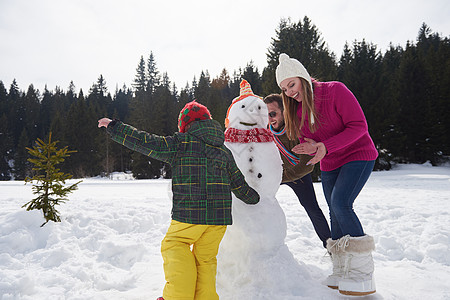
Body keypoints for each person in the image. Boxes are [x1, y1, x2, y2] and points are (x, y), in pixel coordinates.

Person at [98, 100, 260, 300]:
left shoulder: (180, 143)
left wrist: (115, 127)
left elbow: (146, 141)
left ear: (185, 125)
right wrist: (254, 198)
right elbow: (238, 183)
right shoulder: (223, 151)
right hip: (218, 220)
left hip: (190, 214)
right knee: (206, 260)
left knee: (175, 245)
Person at [275, 53, 379, 296]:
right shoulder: (296, 111)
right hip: (330, 162)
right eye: (284, 88)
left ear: (302, 77)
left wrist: (323, 146)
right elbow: (306, 141)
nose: (289, 92)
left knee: (341, 203)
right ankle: (342, 269)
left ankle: (363, 272)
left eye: (292, 84)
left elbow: (359, 126)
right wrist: (310, 147)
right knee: (333, 211)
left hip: (358, 154)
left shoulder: (335, 91)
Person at [263, 93, 331, 249]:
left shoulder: (297, 129)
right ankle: (263, 247)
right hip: (277, 175)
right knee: (260, 205)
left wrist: (280, 178)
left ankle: (330, 246)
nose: (269, 118)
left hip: (297, 176)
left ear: (284, 112)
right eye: (265, 114)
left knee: (312, 209)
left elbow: (306, 164)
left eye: (273, 114)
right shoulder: (265, 132)